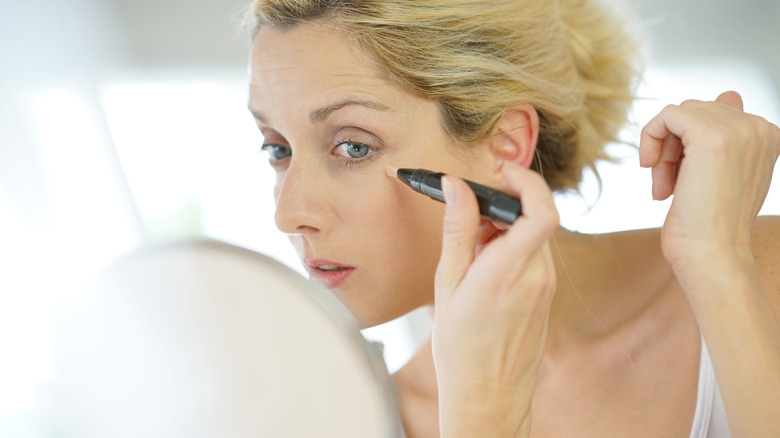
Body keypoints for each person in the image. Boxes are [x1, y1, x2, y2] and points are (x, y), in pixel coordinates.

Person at [244, 0, 780, 436]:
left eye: (354, 147)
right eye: (277, 149)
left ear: (506, 145)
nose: (289, 215)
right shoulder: (361, 421)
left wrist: (720, 264)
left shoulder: (758, 274)